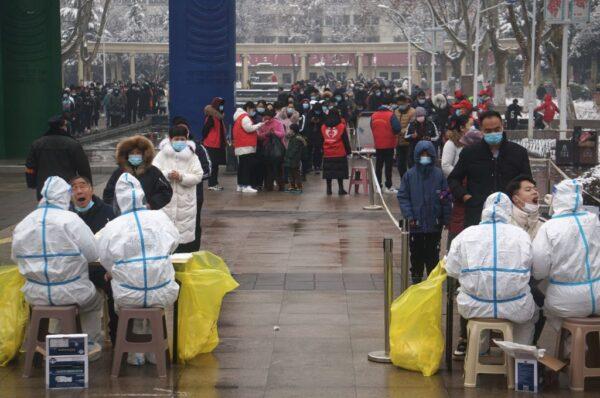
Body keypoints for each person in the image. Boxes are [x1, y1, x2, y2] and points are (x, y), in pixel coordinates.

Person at [12, 177, 104, 358]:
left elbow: (16, 257)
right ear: (64, 196)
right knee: (95, 301)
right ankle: (90, 346)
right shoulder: (71, 220)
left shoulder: (25, 223)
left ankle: (52, 343)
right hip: (72, 291)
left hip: (35, 294)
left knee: (54, 308)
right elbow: (93, 254)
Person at [97, 173, 179, 366]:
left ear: (118, 199)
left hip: (127, 295)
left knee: (127, 292)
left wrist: (116, 270)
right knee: (152, 297)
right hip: (163, 292)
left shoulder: (113, 226)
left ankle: (135, 354)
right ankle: (155, 351)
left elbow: (105, 258)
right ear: (142, 194)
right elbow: (174, 242)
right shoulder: (159, 217)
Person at [446, 192, 537, 345]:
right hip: (515, 306)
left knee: (477, 322)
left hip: (474, 306)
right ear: (509, 211)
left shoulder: (466, 235)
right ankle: (519, 357)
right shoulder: (521, 235)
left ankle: (479, 352)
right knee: (530, 317)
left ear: (484, 210)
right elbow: (533, 268)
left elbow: (452, 270)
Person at [532, 179, 600, 333]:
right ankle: (589, 350)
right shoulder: (593, 220)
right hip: (599, 294)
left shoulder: (549, 227)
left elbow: (539, 270)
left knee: (549, 311)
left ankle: (570, 345)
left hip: (565, 299)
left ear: (557, 200)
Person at [447, 110, 532, 228]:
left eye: (497, 130)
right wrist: (465, 196)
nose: (493, 133)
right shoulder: (470, 153)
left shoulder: (518, 152)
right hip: (477, 216)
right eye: (488, 131)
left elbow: (528, 181)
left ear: (503, 127)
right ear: (481, 130)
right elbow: (453, 179)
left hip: (511, 216)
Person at [70, 175, 118, 343]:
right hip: (74, 271)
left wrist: (111, 270)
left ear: (91, 189)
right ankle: (72, 340)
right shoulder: (66, 216)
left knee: (115, 286)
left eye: (82, 186)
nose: (79, 191)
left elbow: (116, 243)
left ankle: (116, 336)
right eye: (74, 188)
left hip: (99, 269)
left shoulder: (107, 211)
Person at [397, 141, 451, 284]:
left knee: (433, 255)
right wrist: (409, 216)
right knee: (416, 254)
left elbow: (445, 197)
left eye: (428, 155)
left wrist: (446, 219)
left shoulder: (439, 175)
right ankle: (416, 278)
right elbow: (403, 196)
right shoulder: (410, 176)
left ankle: (432, 282)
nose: (425, 157)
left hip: (434, 225)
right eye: (422, 155)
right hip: (416, 226)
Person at [153, 125, 204, 253]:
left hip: (186, 203)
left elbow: (198, 175)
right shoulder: (162, 155)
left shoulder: (192, 156)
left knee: (184, 241)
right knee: (165, 238)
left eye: (182, 139)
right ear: (170, 139)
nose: (179, 142)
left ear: (186, 139)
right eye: (176, 139)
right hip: (166, 202)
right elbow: (154, 172)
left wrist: (181, 177)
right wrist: (168, 175)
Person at [25, 115, 92, 200]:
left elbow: (30, 167)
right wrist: (88, 186)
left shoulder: (37, 144)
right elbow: (84, 169)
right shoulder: (73, 144)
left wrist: (32, 183)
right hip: (67, 189)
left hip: (44, 189)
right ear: (63, 127)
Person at [103, 135, 173, 211]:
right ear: (126, 155)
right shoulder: (119, 172)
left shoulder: (153, 171)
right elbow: (108, 194)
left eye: (138, 153)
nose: (135, 156)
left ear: (144, 155)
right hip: (123, 216)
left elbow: (165, 192)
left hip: (148, 215)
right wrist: (117, 208)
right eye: (132, 153)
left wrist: (151, 204)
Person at [172, 116, 212, 250]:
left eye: (184, 131)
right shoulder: (165, 151)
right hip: (172, 197)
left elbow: (207, 171)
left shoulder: (198, 148)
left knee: (193, 224)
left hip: (193, 196)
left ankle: (193, 252)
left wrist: (187, 178)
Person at [233, 102, 263, 193]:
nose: (253, 112)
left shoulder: (238, 117)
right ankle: (246, 185)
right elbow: (249, 128)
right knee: (246, 167)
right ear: (248, 108)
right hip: (246, 146)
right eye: (253, 110)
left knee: (242, 167)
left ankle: (240, 185)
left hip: (241, 146)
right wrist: (259, 125)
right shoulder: (245, 117)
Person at [371, 104, 402, 193]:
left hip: (378, 144)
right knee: (388, 166)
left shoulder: (374, 115)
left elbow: (371, 127)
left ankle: (378, 186)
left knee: (378, 166)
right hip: (389, 144)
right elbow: (397, 128)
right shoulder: (391, 115)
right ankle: (388, 186)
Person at [321, 107, 351, 196]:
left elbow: (321, 139)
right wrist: (348, 151)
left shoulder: (323, 127)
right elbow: (345, 140)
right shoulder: (341, 126)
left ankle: (329, 189)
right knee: (339, 172)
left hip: (327, 152)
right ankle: (341, 189)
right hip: (339, 152)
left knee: (328, 172)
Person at [257, 109, 287, 191]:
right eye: (265, 117)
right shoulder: (262, 124)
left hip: (278, 150)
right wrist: (266, 134)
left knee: (278, 168)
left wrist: (274, 132)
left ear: (271, 117)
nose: (266, 119)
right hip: (266, 150)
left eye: (268, 118)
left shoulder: (278, 123)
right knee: (268, 168)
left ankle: (281, 185)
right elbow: (259, 136)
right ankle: (268, 186)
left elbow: (282, 134)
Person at [202, 97, 227, 191]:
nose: (222, 106)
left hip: (217, 144)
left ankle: (214, 183)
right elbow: (205, 130)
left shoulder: (218, 117)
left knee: (215, 165)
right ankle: (212, 184)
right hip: (212, 144)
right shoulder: (211, 117)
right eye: (220, 104)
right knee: (213, 165)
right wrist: (208, 140)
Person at [507, 175, 543, 240]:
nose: (535, 192)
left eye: (535, 189)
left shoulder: (543, 225)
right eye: (528, 190)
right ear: (515, 199)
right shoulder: (506, 225)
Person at [394, 95, 416, 177]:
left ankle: (412, 181)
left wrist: (400, 131)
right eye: (399, 104)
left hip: (409, 143)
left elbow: (411, 126)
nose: (400, 106)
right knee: (400, 165)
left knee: (410, 163)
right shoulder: (396, 111)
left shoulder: (413, 112)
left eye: (402, 104)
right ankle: (404, 181)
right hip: (398, 143)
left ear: (407, 103)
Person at [283, 124, 307, 193]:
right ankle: (292, 186)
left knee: (296, 173)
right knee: (291, 173)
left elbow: (295, 149)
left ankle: (299, 187)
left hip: (294, 159)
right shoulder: (293, 137)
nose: (289, 131)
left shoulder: (297, 138)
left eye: (290, 129)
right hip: (290, 159)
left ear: (293, 130)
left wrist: (289, 155)